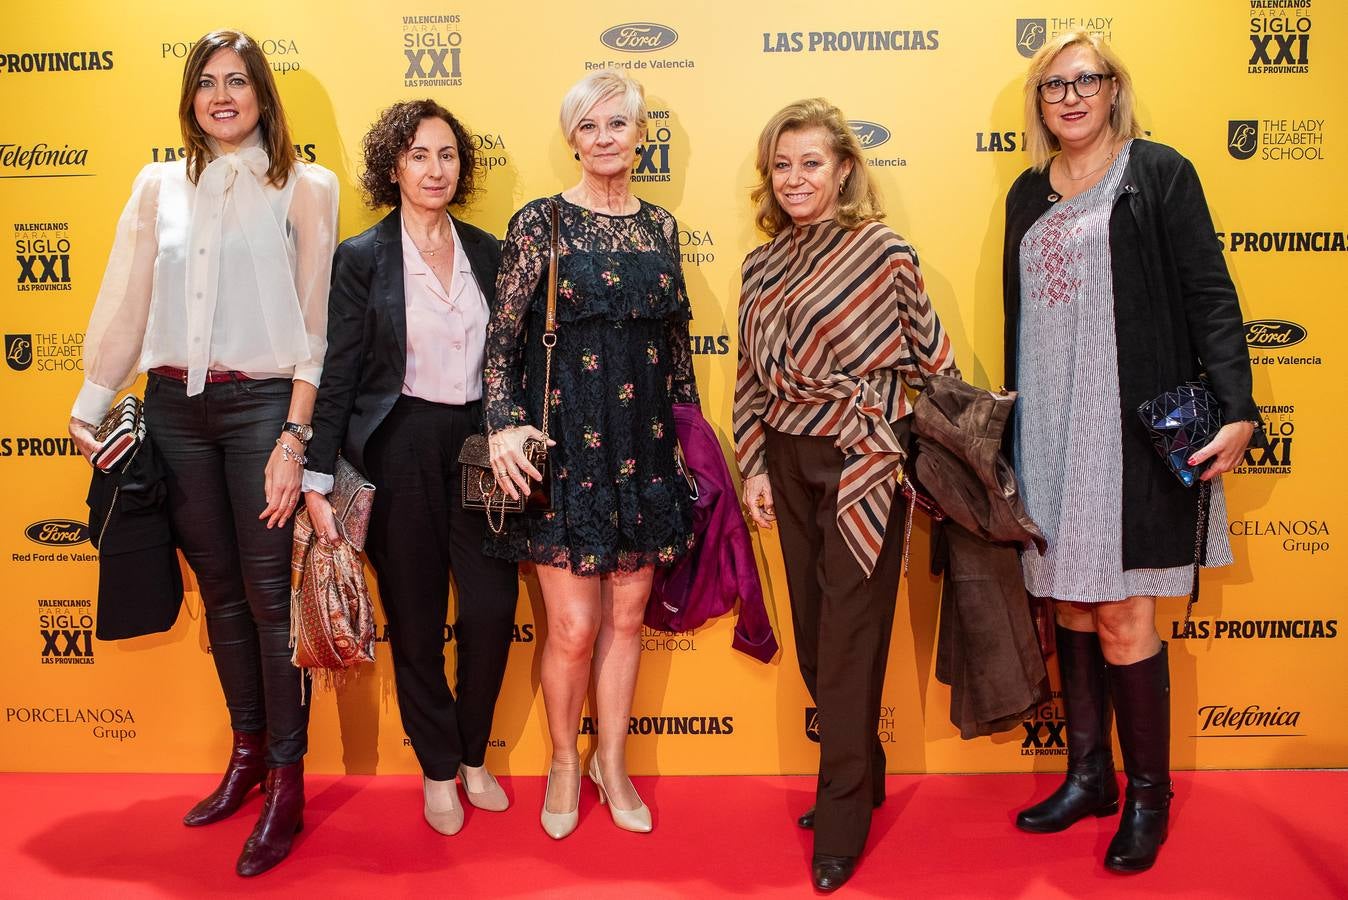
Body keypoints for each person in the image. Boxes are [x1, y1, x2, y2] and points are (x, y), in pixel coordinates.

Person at [67, 30, 339, 876]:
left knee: (266, 597)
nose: (223, 95)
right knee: (219, 592)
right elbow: (127, 291)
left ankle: (287, 783)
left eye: (239, 82)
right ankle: (247, 755)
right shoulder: (159, 185)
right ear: (190, 98)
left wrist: (295, 437)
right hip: (175, 408)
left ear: (263, 94)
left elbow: (315, 325)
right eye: (207, 83)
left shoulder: (305, 184)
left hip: (263, 408)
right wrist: (91, 397)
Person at [1003, 31, 1258, 873]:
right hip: (1046, 422)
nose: (1071, 96)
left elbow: (1210, 292)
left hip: (1130, 425)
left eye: (1088, 80)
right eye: (1054, 86)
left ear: (1114, 88)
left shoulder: (1160, 173)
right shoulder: (1023, 194)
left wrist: (1238, 406)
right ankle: (1089, 779)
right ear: (1039, 103)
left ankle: (1148, 795)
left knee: (1121, 612)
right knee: (1068, 607)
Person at [733, 98, 958, 892]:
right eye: (782, 165)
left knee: (852, 638)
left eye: (811, 163)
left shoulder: (883, 250)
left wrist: (919, 449)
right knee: (814, 630)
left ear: (844, 170)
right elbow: (749, 380)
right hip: (789, 458)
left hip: (865, 457)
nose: (795, 179)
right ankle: (863, 769)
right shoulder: (760, 265)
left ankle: (841, 820)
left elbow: (933, 360)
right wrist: (754, 465)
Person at [484, 68, 698, 840]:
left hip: (644, 447)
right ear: (572, 137)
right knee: (572, 629)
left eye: (619, 125)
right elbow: (499, 350)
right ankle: (564, 762)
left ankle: (613, 763)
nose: (605, 139)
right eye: (590, 127)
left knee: (629, 618)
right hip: (566, 448)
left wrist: (690, 443)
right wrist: (506, 425)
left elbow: (677, 357)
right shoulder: (538, 224)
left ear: (641, 134)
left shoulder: (662, 229)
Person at [303, 99, 518, 836]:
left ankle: (473, 754)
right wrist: (315, 476)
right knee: (419, 619)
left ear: (463, 166)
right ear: (393, 166)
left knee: (490, 614)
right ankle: (437, 769)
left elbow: (515, 364)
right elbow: (338, 375)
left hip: (481, 444)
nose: (435, 169)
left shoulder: (491, 251)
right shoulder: (362, 258)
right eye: (420, 155)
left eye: (448, 155)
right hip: (399, 444)